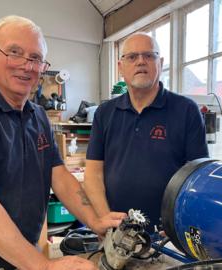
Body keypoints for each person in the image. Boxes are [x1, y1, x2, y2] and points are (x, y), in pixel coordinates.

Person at [0, 15, 125, 270]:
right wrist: (45, 266)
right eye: (15, 52)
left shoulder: (37, 116)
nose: (27, 66)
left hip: (22, 256)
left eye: (36, 58)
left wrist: (96, 221)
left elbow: (58, 176)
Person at [84, 32, 209, 233]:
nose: (141, 62)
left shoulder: (186, 110)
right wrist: (105, 219)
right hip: (117, 231)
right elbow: (93, 175)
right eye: (132, 57)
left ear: (160, 62)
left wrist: (179, 222)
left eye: (148, 56)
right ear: (120, 67)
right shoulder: (105, 113)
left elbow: (198, 179)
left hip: (168, 234)